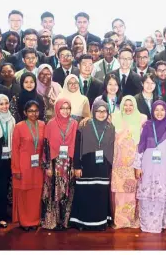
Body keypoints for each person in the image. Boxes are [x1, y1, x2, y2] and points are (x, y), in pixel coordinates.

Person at [70, 100, 114, 231]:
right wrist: (77, 166)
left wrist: (110, 167)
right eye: (98, 111)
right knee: (86, 193)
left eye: (104, 111)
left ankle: (100, 222)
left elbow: (112, 148)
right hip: (86, 165)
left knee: (100, 194)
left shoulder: (111, 127)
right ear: (93, 112)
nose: (101, 114)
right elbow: (77, 147)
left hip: (103, 166)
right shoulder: (84, 125)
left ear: (108, 113)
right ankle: (83, 222)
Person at [134, 100, 166, 233]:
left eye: (162, 110)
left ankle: (158, 224)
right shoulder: (146, 126)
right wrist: (138, 166)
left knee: (160, 195)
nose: (159, 113)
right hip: (147, 166)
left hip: (163, 167)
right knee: (146, 195)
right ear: (152, 111)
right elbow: (140, 147)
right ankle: (146, 224)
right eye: (156, 110)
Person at [41, 98, 78, 230]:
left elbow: (77, 145)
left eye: (68, 108)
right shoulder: (50, 124)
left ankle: (65, 221)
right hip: (55, 163)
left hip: (69, 163)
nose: (65, 111)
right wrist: (47, 166)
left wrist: (75, 166)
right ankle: (54, 221)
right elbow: (46, 146)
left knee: (68, 191)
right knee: (54, 191)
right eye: (62, 108)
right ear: (57, 109)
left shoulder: (74, 124)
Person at [111, 95, 147, 229]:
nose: (128, 107)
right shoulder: (114, 118)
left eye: (131, 104)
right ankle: (120, 221)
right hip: (119, 162)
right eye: (125, 105)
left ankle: (132, 219)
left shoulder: (142, 119)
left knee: (132, 191)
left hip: (134, 161)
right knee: (119, 192)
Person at [11, 100, 45, 231]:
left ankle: (35, 220)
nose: (33, 113)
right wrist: (16, 169)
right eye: (30, 111)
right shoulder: (19, 126)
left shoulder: (42, 125)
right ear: (25, 112)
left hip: (38, 166)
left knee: (36, 192)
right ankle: (25, 222)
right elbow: (15, 149)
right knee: (24, 193)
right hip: (23, 165)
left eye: (36, 111)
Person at [0, 95, 16, 229]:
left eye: (6, 103)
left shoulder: (12, 119)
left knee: (3, 187)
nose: (4, 106)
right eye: (1, 104)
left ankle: (1, 216)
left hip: (7, 157)